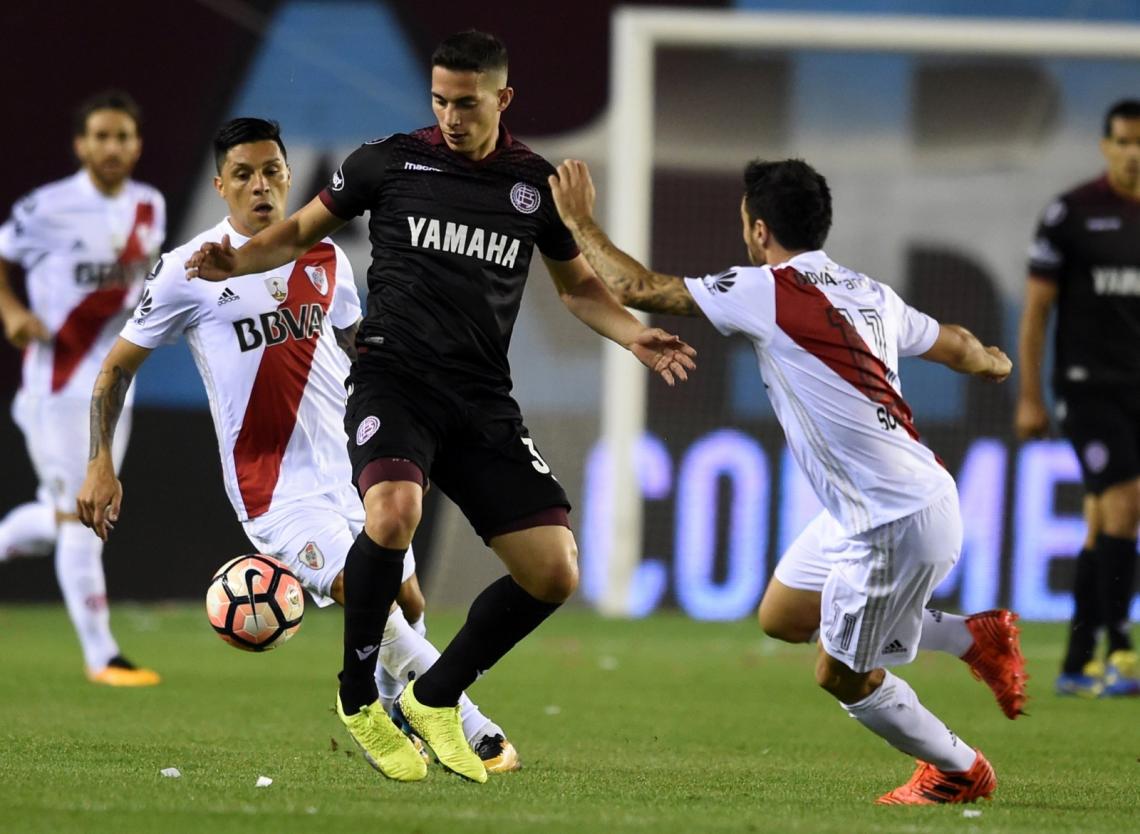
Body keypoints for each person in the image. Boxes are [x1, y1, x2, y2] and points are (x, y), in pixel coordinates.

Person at [184, 31, 696, 784]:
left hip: (481, 399)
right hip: (393, 380)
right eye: (440, 100)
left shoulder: (531, 185)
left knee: (553, 574)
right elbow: (296, 231)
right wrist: (241, 258)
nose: (451, 116)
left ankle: (434, 696)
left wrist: (634, 336)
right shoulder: (387, 163)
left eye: (466, 102)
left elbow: (579, 287)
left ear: (502, 99)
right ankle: (358, 696)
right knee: (391, 514)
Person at [547, 157, 1026, 805]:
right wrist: (993, 364)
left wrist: (577, 219)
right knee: (785, 614)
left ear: (760, 229)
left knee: (842, 673)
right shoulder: (867, 292)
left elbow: (635, 287)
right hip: (885, 501)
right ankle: (975, 636)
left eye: (746, 221)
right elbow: (958, 343)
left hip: (892, 519)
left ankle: (959, 769)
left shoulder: (765, 288)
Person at [77, 117, 520, 777]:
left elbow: (359, 351)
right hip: (274, 490)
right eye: (246, 175)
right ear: (220, 184)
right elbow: (114, 368)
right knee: (357, 590)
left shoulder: (326, 257)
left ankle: (399, 708)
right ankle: (467, 723)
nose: (261, 187)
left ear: (290, 175)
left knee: (408, 605)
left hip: (351, 470)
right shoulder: (186, 272)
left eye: (273, 172)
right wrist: (100, 462)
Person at [0, 90, 164, 686]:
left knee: (79, 509)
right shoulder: (46, 207)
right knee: (82, 515)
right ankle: (103, 656)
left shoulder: (150, 206)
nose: (113, 147)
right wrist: (11, 312)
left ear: (137, 144)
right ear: (81, 144)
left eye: (123, 137)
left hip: (114, 386)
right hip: (58, 383)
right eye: (101, 136)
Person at [1016, 98, 1140, 699]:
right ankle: (1120, 649)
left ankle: (1074, 660)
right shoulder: (1072, 214)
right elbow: (1037, 313)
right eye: (1122, 142)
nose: (1133, 154)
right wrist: (1030, 397)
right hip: (1087, 389)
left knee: (1101, 523)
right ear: (1105, 145)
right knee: (1124, 501)